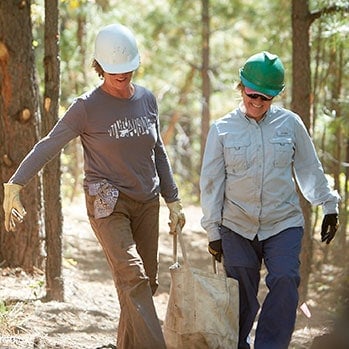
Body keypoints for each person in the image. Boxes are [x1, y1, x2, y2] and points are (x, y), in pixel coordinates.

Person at [3, 23, 185, 349]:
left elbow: (157, 150)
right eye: (115, 71)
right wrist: (15, 183)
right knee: (133, 276)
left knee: (148, 282)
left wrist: (173, 200)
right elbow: (48, 144)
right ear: (100, 67)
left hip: (146, 201)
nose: (123, 76)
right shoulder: (86, 107)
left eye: (128, 69)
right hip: (108, 202)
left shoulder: (147, 99)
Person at [200, 51, 340, 349]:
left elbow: (308, 168)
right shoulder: (222, 130)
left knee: (286, 280)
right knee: (241, 293)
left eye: (266, 98)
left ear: (275, 96)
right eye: (252, 95)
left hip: (282, 222)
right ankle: (237, 345)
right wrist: (213, 230)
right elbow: (211, 183)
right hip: (237, 224)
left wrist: (328, 205)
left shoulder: (290, 125)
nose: (257, 102)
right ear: (241, 87)